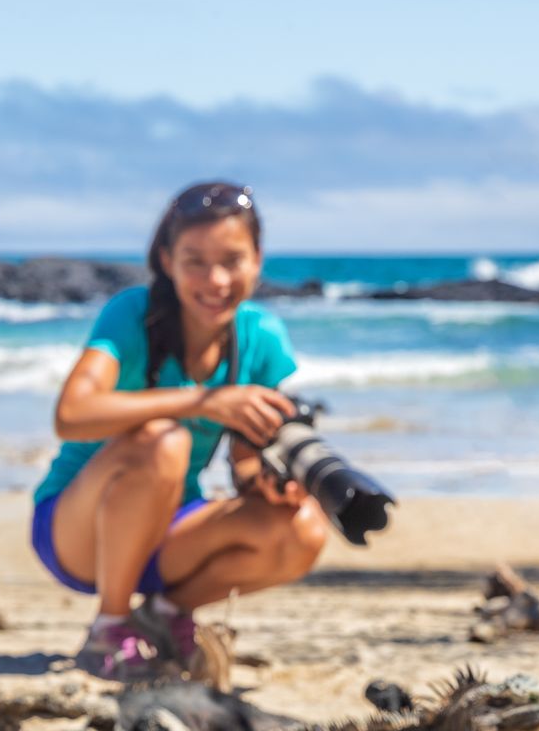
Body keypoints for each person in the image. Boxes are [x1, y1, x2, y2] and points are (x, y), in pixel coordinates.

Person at [31, 181, 329, 680]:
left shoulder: (262, 339)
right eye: (195, 260)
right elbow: (72, 413)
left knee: (303, 529)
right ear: (167, 261)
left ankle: (165, 616)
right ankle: (109, 625)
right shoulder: (132, 314)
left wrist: (270, 486)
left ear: (257, 260)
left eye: (231, 260)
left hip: (172, 534)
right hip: (78, 530)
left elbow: (245, 465)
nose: (214, 280)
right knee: (165, 441)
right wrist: (206, 402)